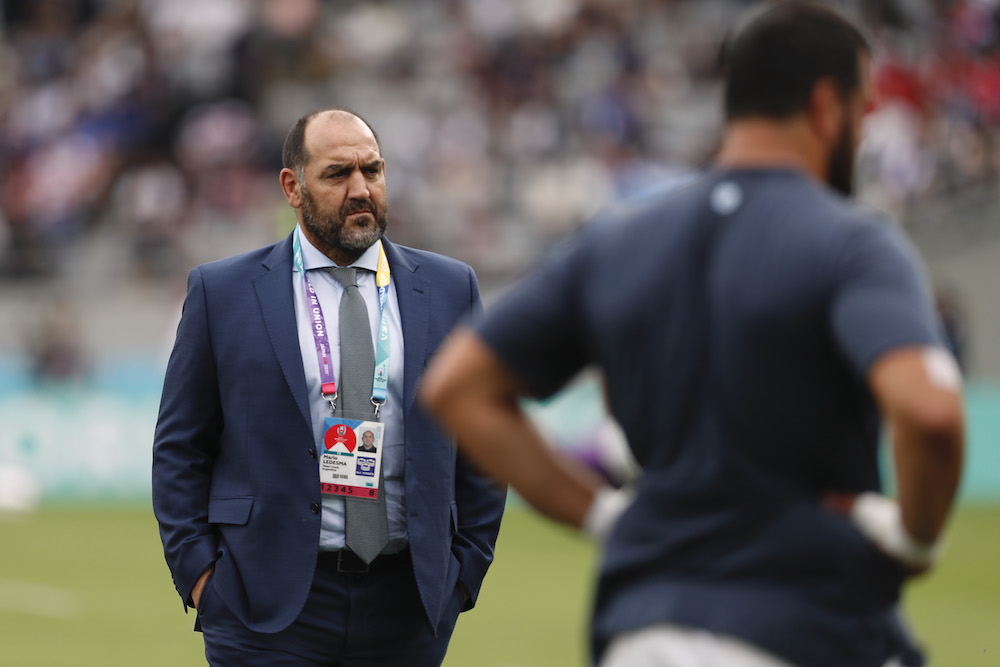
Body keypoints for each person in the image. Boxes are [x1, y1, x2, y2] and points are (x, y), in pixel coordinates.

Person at [420, 4, 964, 667]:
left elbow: (457, 387)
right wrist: (915, 538)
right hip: (804, 623)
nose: (865, 129)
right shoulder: (854, 242)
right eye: (864, 109)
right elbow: (930, 411)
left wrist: (605, 517)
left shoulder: (616, 240)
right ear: (827, 105)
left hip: (641, 627)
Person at [152, 107, 506, 666]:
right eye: (338, 174)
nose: (361, 189)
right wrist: (201, 576)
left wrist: (465, 571)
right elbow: (179, 448)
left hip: (407, 605)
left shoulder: (450, 288)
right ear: (293, 187)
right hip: (263, 606)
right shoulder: (222, 293)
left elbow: (486, 435)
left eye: (373, 169)